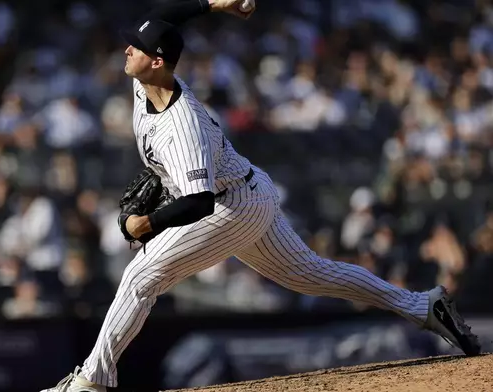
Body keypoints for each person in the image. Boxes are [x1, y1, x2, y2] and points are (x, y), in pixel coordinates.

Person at [40, 1, 481, 391]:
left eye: (135, 47)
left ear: (157, 62)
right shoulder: (145, 81)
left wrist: (147, 224)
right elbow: (165, 16)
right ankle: (422, 305)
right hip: (250, 190)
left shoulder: (182, 127)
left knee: (140, 278)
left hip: (230, 206)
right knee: (313, 274)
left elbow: (199, 203)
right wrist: (215, 3)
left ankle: (91, 381)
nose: (126, 50)